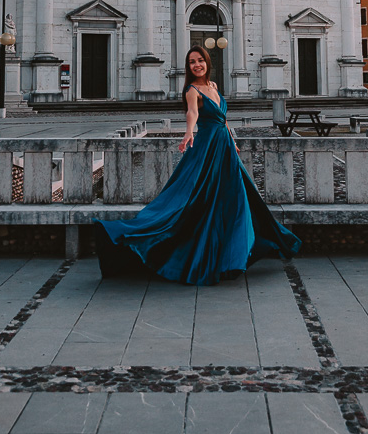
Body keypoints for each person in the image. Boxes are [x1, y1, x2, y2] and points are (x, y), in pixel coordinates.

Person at [95, 46, 301, 286]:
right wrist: (188, 133)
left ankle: (232, 254)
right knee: (198, 197)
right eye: (192, 62)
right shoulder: (192, 90)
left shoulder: (213, 87)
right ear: (188, 67)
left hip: (224, 147)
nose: (196, 65)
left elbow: (223, 121)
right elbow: (192, 113)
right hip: (206, 147)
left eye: (200, 60)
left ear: (207, 63)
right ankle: (203, 254)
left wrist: (232, 142)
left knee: (236, 197)